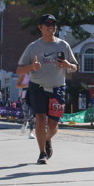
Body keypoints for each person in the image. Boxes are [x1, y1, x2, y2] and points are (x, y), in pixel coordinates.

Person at [16, 14, 78, 164]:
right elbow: (19, 70)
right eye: (48, 24)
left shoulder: (63, 45)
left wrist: (68, 65)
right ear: (40, 27)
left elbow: (75, 67)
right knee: (40, 119)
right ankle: (42, 153)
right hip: (37, 87)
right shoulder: (33, 47)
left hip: (58, 88)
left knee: (53, 125)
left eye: (54, 24)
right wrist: (32, 67)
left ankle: (47, 139)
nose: (51, 27)